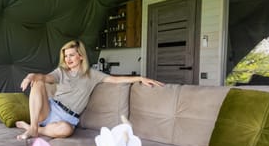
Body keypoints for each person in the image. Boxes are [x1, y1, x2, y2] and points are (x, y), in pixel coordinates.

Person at [15, 40, 164, 140]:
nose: (68, 59)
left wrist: (139, 78)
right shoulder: (61, 72)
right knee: (38, 82)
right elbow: (43, 77)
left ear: (80, 56)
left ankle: (32, 128)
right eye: (65, 56)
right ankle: (34, 125)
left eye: (71, 55)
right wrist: (30, 76)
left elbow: (115, 79)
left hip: (66, 119)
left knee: (67, 130)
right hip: (49, 111)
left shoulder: (93, 75)